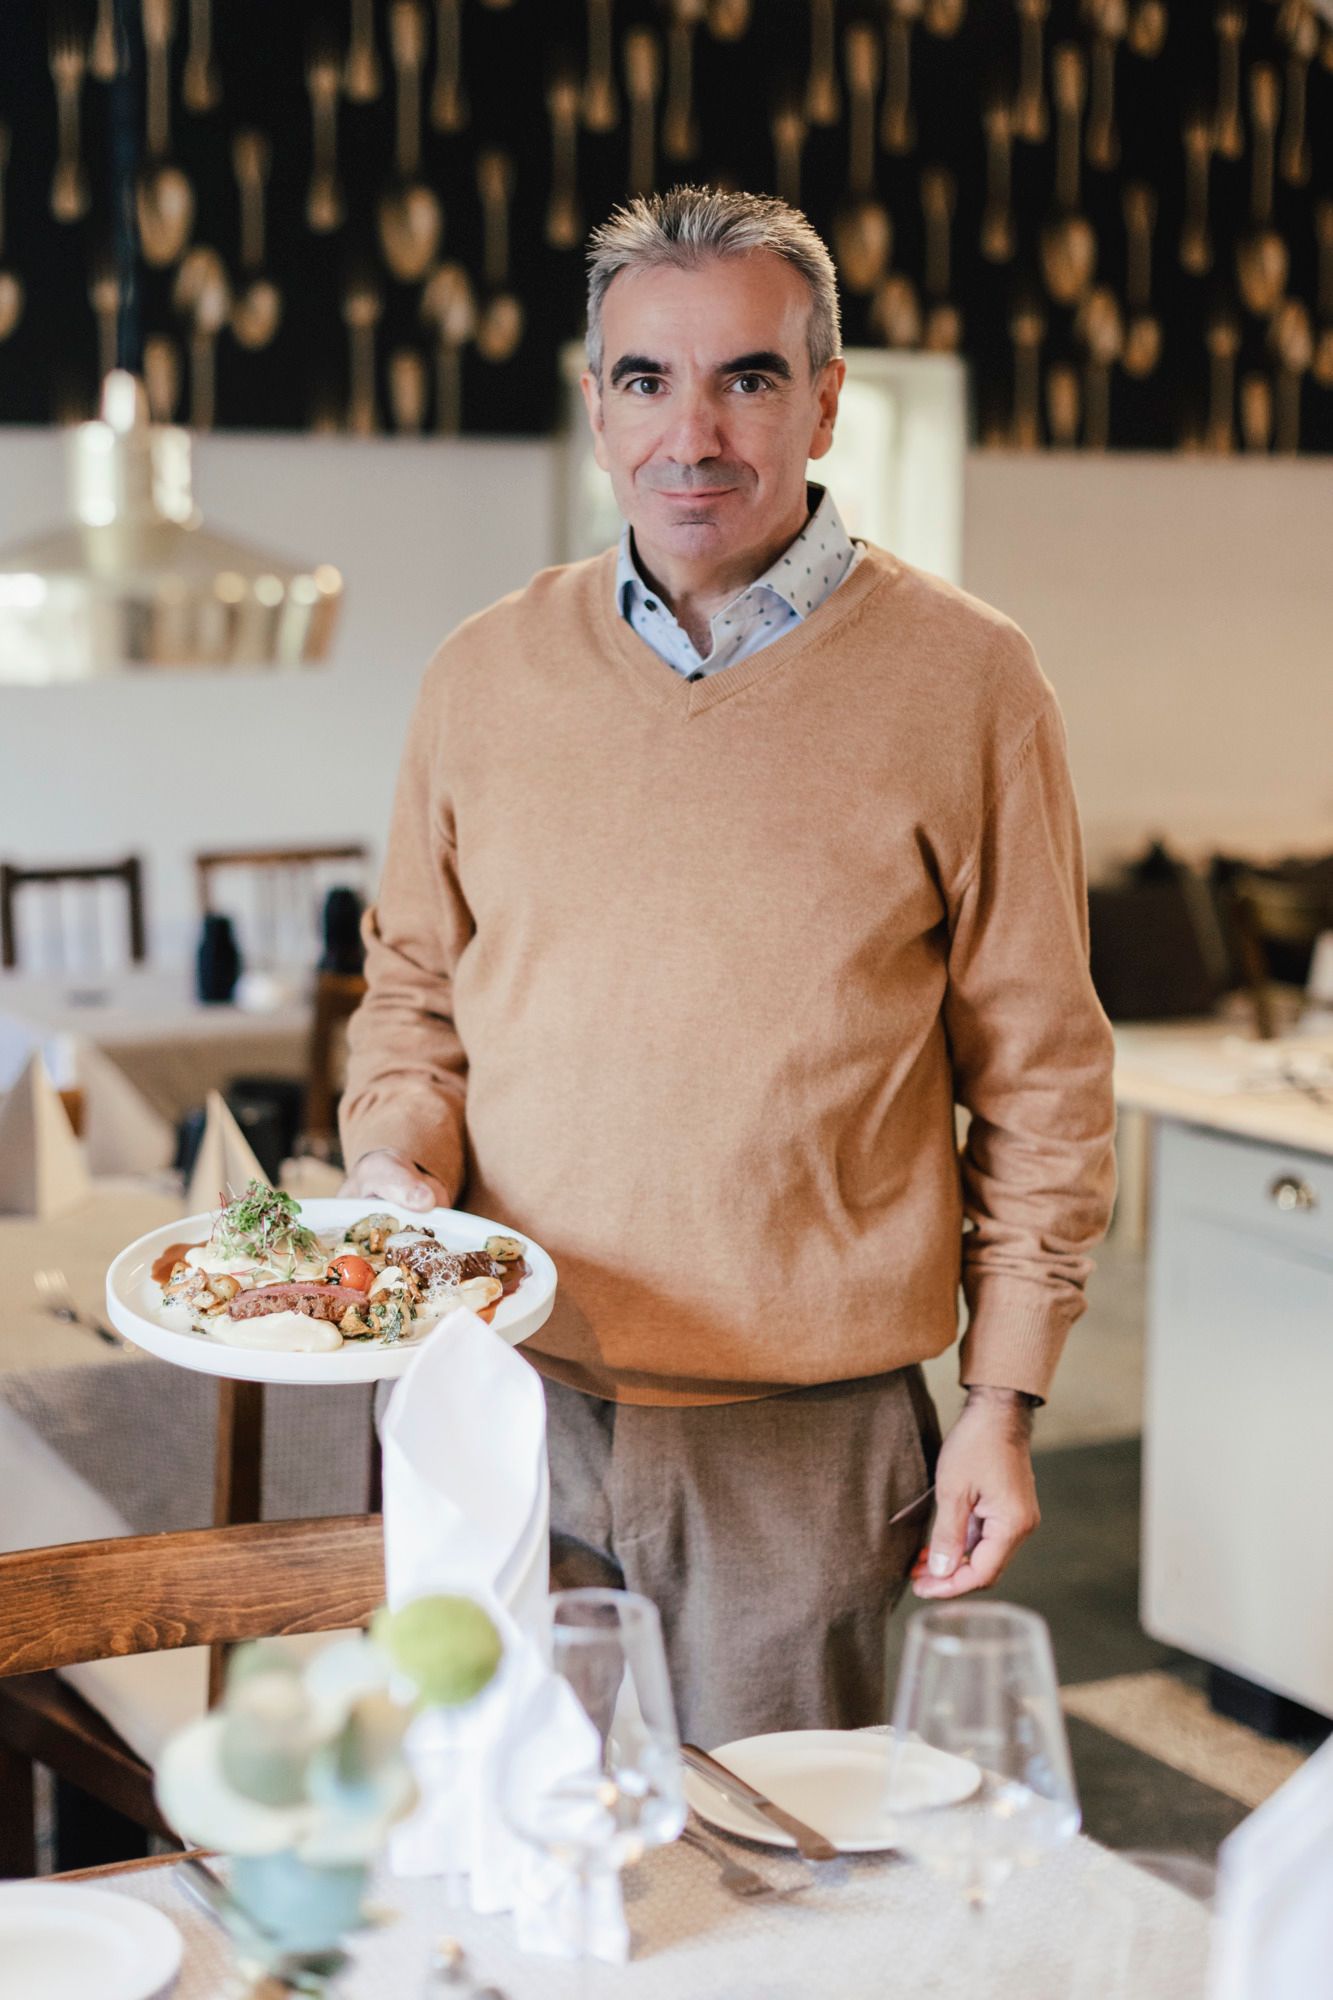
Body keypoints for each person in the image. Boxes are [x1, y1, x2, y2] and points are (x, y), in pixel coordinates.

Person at [340, 186, 1116, 1747]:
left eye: (746, 378)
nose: (690, 434)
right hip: (499, 1393)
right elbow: (413, 998)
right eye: (646, 378)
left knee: (776, 1859)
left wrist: (1002, 1397)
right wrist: (394, 1159)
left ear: (823, 401)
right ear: (595, 407)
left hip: (801, 1447)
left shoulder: (969, 679)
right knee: (510, 1834)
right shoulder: (482, 672)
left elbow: (1042, 1074)